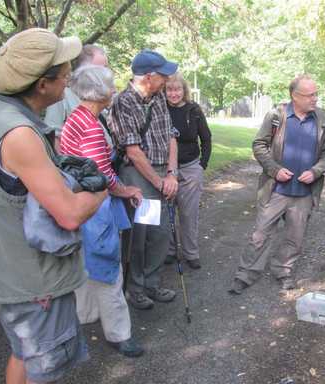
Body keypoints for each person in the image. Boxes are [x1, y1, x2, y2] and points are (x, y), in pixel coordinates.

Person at [0, 28, 107, 384]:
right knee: (45, 368)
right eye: (64, 73)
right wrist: (101, 189)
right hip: (32, 281)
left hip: (5, 268)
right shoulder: (19, 134)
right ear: (43, 85)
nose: (70, 77)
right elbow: (70, 213)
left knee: (24, 354)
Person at [60, 64, 144, 357]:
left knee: (85, 265)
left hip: (77, 205)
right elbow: (102, 178)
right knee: (109, 270)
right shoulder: (92, 126)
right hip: (94, 208)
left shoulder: (76, 118)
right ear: (99, 92)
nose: (113, 91)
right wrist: (129, 190)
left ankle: (85, 316)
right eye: (110, 86)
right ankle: (120, 334)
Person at [229, 74, 325, 294]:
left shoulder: (322, 119)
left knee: (295, 237)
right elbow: (259, 144)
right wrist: (275, 169)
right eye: (309, 95)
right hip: (275, 190)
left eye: (316, 93)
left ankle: (283, 270)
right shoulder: (277, 116)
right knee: (260, 234)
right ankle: (246, 274)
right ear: (294, 96)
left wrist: (316, 171)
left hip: (304, 193)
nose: (314, 99)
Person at [109, 49, 179, 310]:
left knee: (162, 234)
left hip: (163, 173)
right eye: (163, 75)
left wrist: (171, 174)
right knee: (141, 235)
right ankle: (135, 288)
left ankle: (152, 282)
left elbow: (171, 135)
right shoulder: (123, 102)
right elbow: (133, 151)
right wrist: (159, 182)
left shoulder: (158, 96)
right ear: (149, 77)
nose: (167, 80)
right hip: (139, 175)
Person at [164, 72, 212, 269]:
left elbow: (206, 139)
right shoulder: (160, 109)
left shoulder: (194, 110)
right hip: (165, 169)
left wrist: (202, 165)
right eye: (169, 89)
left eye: (177, 89)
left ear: (184, 91)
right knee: (167, 213)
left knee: (188, 214)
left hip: (190, 167)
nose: (174, 93)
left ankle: (190, 253)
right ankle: (169, 251)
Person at [45, 44, 109, 152]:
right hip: (85, 166)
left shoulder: (99, 93)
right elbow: (54, 137)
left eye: (106, 68)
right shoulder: (62, 95)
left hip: (108, 161)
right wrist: (65, 167)